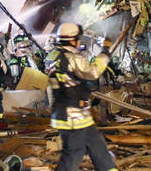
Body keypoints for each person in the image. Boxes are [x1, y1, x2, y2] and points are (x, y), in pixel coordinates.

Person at [44, 22, 117, 171]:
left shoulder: (52, 56)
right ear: (72, 40)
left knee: (98, 147)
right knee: (74, 153)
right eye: (78, 39)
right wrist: (105, 52)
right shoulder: (73, 59)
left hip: (74, 113)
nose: (79, 42)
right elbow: (93, 72)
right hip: (72, 116)